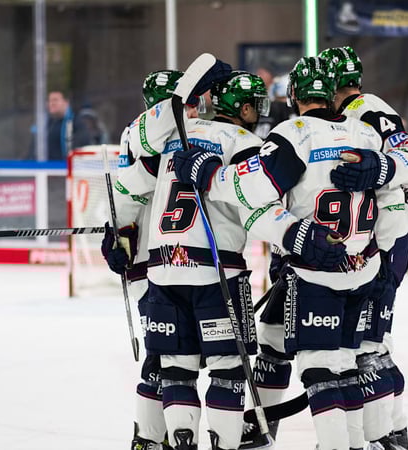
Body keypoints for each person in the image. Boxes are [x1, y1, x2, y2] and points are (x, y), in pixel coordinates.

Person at [173, 56, 408, 450]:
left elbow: (252, 190)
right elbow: (404, 174)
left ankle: (376, 436)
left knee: (337, 362)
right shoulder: (364, 131)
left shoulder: (300, 132)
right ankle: (357, 438)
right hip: (364, 261)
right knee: (335, 355)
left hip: (316, 267)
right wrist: (381, 176)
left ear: (293, 94)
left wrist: (208, 175)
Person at [109, 61, 269, 450]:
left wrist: (118, 233)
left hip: (161, 271)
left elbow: (124, 189)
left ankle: (165, 441)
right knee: (227, 369)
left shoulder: (160, 141)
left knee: (173, 369)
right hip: (216, 274)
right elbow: (261, 204)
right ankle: (225, 443)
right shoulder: (243, 143)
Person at [320, 45, 408, 449]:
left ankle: (386, 434)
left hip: (385, 241)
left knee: (367, 344)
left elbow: (407, 158)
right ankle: (390, 432)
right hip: (377, 239)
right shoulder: (352, 114)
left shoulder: (366, 109)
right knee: (369, 342)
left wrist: (382, 172)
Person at [102, 69, 184, 450]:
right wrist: (117, 233)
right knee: (167, 357)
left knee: (171, 356)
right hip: (163, 261)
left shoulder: (138, 131)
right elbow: (130, 192)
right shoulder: (145, 132)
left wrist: (118, 232)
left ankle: (157, 436)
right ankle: (153, 436)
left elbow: (126, 195)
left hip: (161, 261)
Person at [31, 90, 108, 160]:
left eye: (55, 100)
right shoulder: (45, 125)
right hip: (45, 171)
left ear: (66, 102)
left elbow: (80, 148)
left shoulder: (76, 123)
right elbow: (33, 149)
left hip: (67, 170)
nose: (52, 103)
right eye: (49, 100)